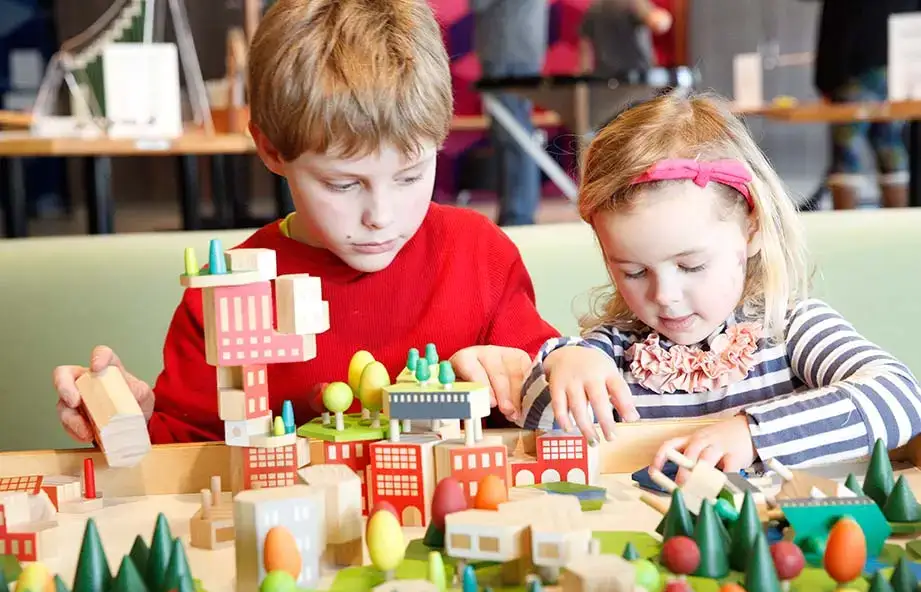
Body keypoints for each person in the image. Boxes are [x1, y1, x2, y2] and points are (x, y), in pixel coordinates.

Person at [52, 0, 559, 445]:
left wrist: (547, 377)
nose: (380, 216)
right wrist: (132, 420)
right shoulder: (228, 294)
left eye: (409, 176)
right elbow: (188, 451)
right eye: (342, 184)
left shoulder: (480, 255)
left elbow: (552, 405)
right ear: (271, 149)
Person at [511, 92, 921, 480]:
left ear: (752, 228)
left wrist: (754, 434)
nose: (664, 295)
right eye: (635, 272)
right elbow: (541, 423)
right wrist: (562, 360)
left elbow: (901, 397)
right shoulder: (614, 353)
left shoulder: (790, 329)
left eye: (691, 265)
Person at [813, 0, 919, 209]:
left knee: (847, 153)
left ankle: (844, 229)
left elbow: (835, 28)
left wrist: (825, 80)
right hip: (896, 72)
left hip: (854, 73)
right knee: (891, 148)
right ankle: (901, 228)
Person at [470, 0, 549, 227]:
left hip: (506, 49)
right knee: (514, 132)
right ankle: (515, 211)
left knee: (513, 135)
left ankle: (518, 214)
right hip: (520, 49)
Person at [579, 0, 673, 77]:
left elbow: (585, 43)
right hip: (638, 78)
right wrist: (664, 18)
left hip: (605, 80)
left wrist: (585, 73)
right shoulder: (634, 3)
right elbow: (657, 23)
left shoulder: (594, 7)